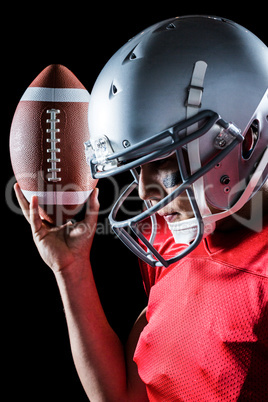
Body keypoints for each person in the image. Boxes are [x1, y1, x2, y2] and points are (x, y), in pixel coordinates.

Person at [14, 16, 268, 401]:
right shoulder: (176, 242)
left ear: (248, 135)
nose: (146, 189)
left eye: (164, 159)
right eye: (138, 165)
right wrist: (71, 270)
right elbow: (123, 396)